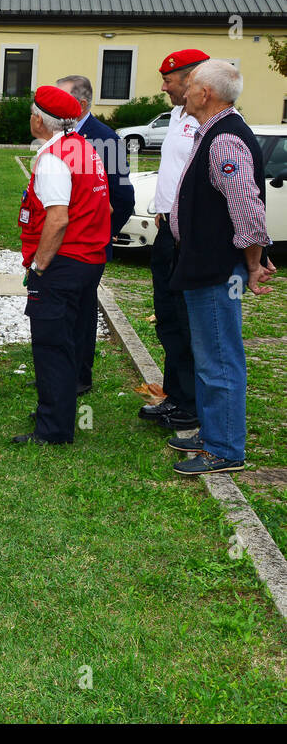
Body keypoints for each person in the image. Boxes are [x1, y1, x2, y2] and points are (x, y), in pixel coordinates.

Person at [166, 60, 274, 475]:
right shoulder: (214, 131)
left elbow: (247, 208)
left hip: (216, 269)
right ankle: (213, 434)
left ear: (205, 93)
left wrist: (252, 262)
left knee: (220, 359)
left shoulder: (225, 139)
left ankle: (225, 448)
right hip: (205, 264)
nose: (184, 90)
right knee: (210, 354)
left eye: (189, 84)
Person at [11, 86, 111, 445]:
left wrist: (38, 266)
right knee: (68, 341)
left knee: (51, 344)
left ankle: (53, 430)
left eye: (32, 113)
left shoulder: (54, 158)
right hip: (88, 259)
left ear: (39, 120)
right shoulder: (83, 147)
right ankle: (59, 413)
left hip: (63, 263)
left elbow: (57, 219)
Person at [139, 49, 207, 434]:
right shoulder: (180, 115)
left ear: (193, 78)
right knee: (167, 318)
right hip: (168, 230)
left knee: (187, 320)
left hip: (191, 237)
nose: (163, 86)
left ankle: (193, 404)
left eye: (170, 80)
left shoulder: (211, 122)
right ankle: (176, 397)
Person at [55, 74, 133, 395]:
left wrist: (102, 235)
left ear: (81, 104)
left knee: (81, 312)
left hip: (88, 247)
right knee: (59, 311)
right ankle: (58, 370)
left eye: (61, 100)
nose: (53, 106)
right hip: (60, 243)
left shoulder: (104, 140)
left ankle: (79, 376)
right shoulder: (60, 135)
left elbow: (123, 199)